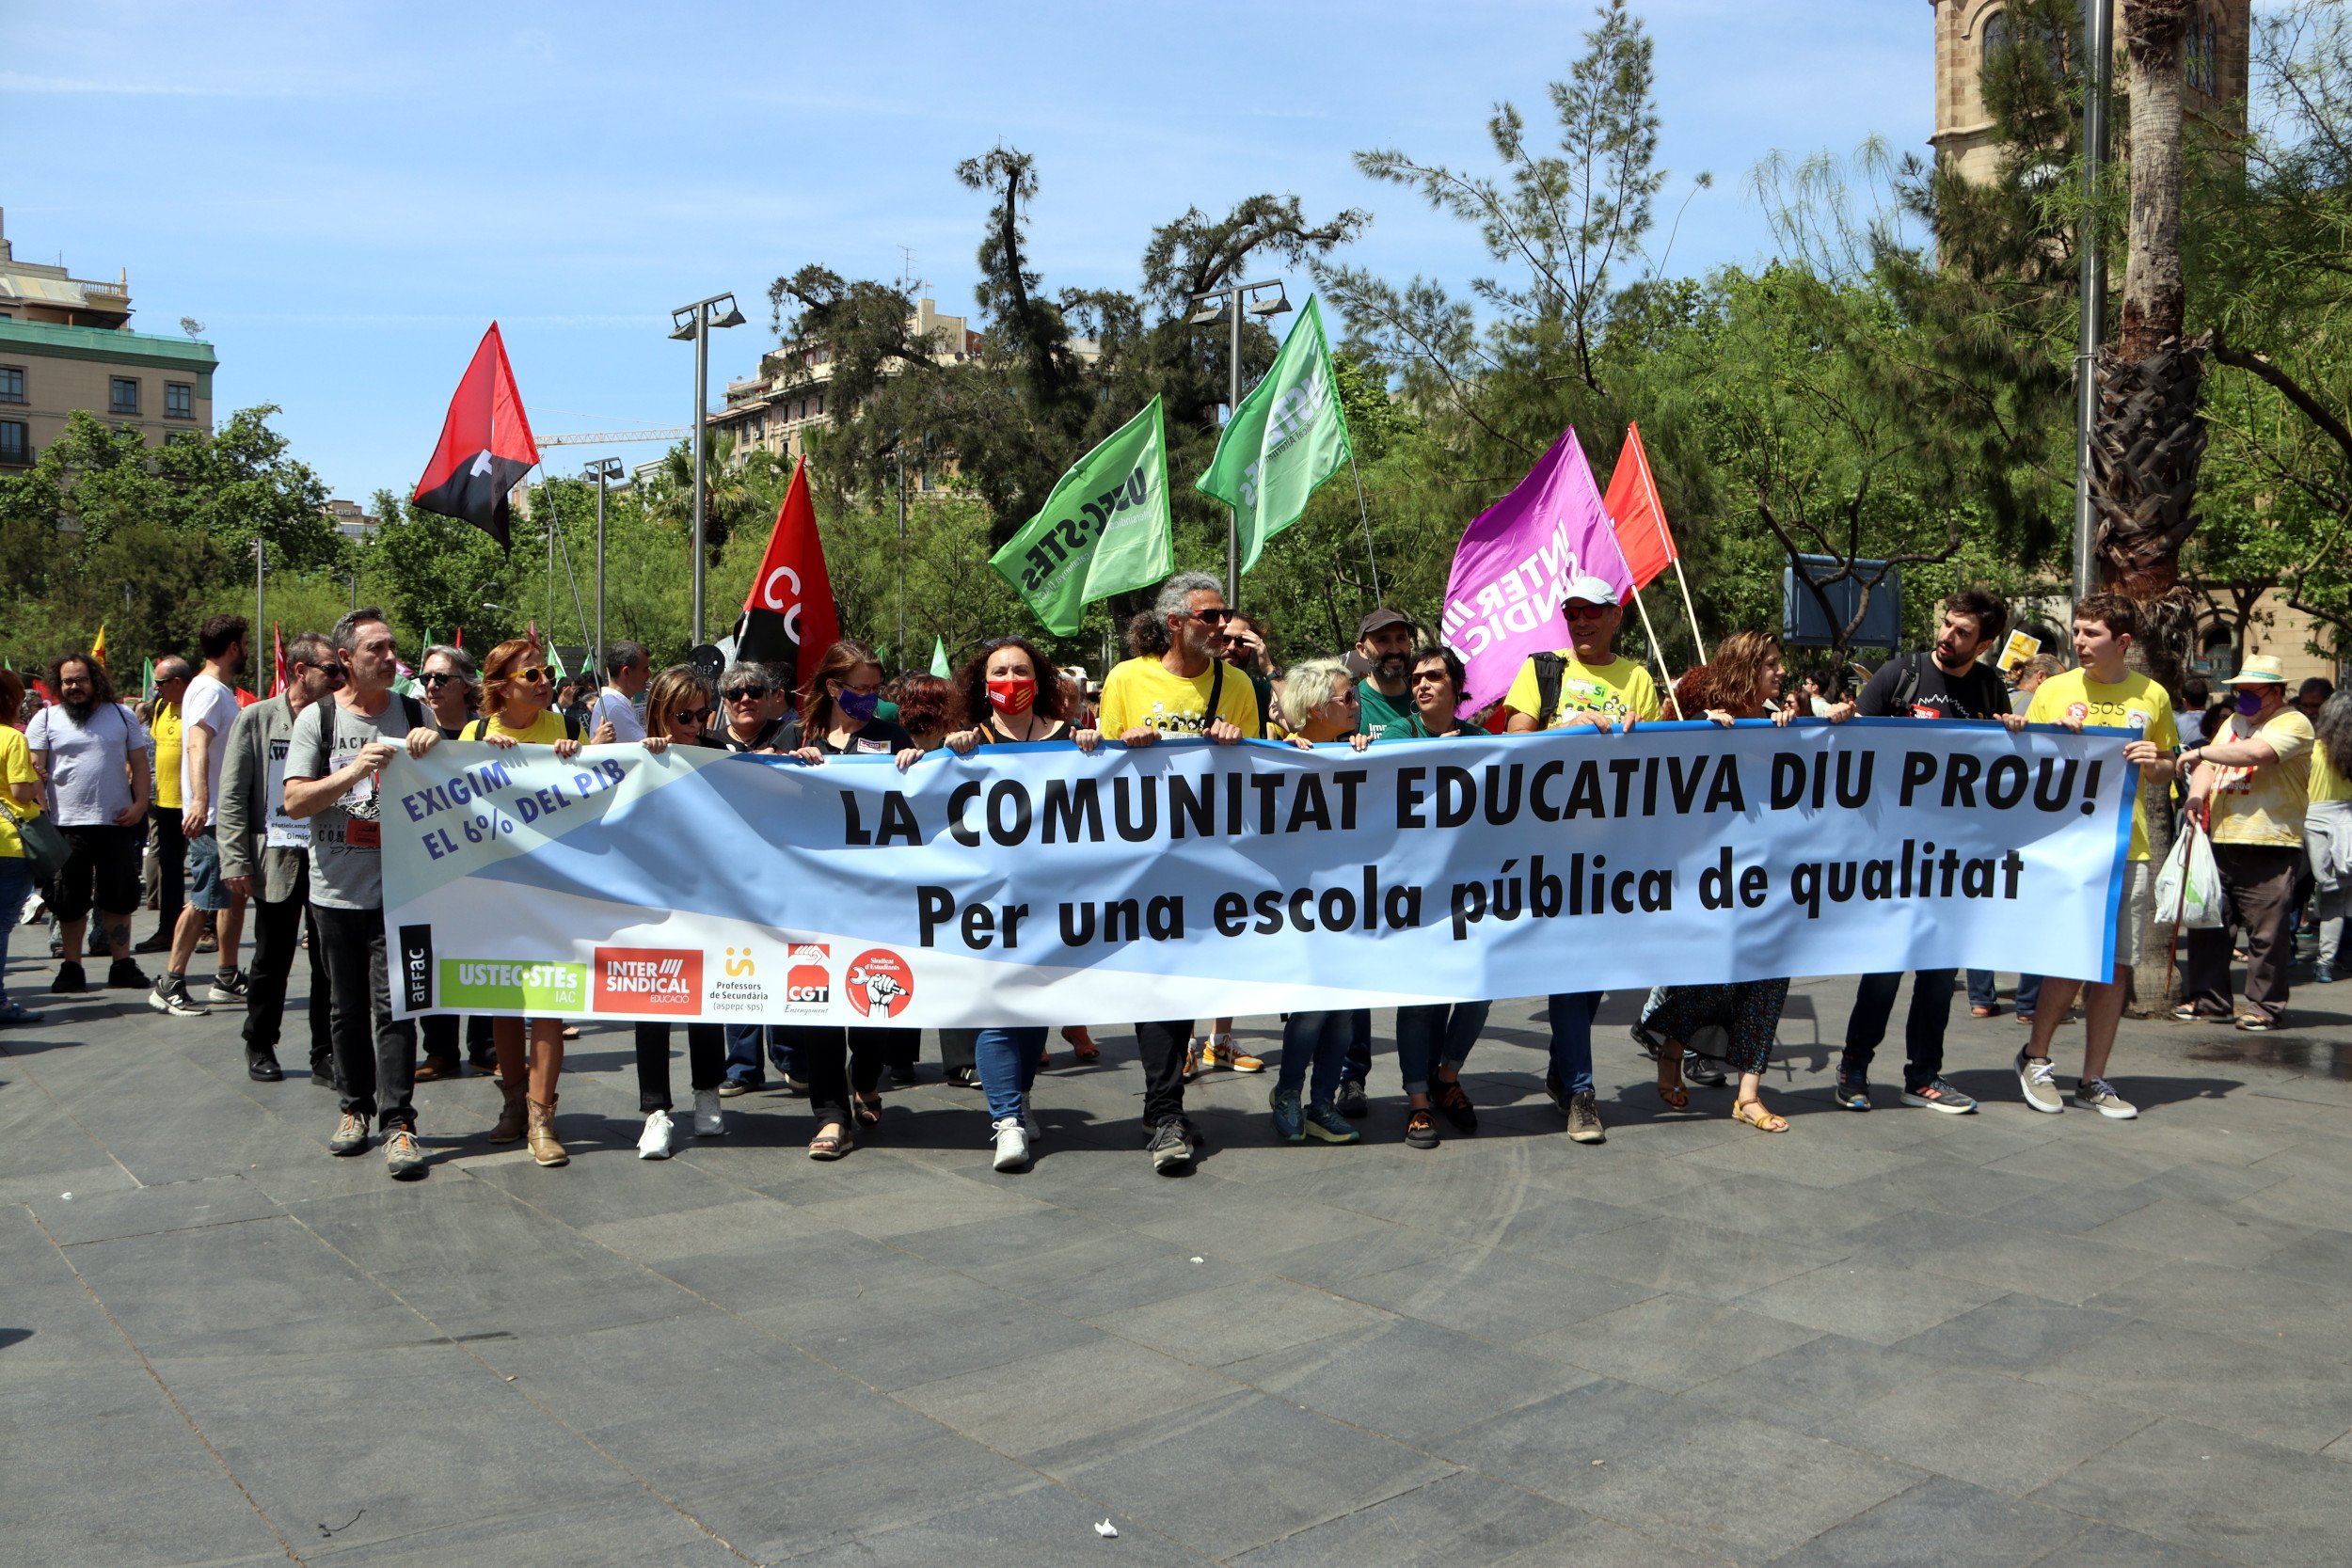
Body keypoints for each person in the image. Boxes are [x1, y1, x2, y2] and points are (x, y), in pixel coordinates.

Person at [1835, 589, 2024, 1116]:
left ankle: (1924, 1075)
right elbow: (1850, 745)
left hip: (1954, 862)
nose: (1946, 637)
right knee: (1884, 970)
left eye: (1962, 632)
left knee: (1939, 977)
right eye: (1946, 625)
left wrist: (2014, 733)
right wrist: (1843, 716)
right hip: (1891, 856)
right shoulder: (1901, 674)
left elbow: (1999, 774)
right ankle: (1854, 1068)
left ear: (1984, 643)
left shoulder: (1989, 688)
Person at [1653, 633, 1852, 1132]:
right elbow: (1658, 738)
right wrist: (1701, 726)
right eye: (1770, 663)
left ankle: (1748, 1093)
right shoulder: (1699, 686)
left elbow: (1814, 739)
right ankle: (1671, 1047)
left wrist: (1819, 720)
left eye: (1780, 663)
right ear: (1745, 665)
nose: (1781, 671)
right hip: (1708, 861)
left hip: (1770, 864)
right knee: (1712, 974)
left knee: (1770, 973)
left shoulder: (1778, 707)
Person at [1101, 570, 1263, 1173]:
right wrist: (1124, 742)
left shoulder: (1239, 684)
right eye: (1211, 616)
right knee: (1157, 984)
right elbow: (1099, 765)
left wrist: (1237, 739)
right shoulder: (1126, 678)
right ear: (1176, 624)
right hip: (1145, 864)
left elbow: (1259, 768)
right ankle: (1165, 1112)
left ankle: (1161, 1106)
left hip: (1214, 864)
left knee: (1190, 983)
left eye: (1224, 616)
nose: (1224, 626)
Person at [2006, 595, 2184, 1119]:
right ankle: (2036, 1058)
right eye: (2078, 632)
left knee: (2115, 967)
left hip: (2128, 848)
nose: (2080, 642)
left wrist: (2159, 761)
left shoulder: (2151, 695)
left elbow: (2167, 769)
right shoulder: (2053, 690)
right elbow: (2025, 769)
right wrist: (2025, 736)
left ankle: (2093, 1079)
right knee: (2070, 957)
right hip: (2065, 848)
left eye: (2091, 634)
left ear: (2123, 642)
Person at [1502, 574, 1662, 1146]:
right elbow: (1511, 743)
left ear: (1616, 616)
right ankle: (1581, 1093)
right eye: (1571, 612)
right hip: (1550, 850)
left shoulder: (1638, 677)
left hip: (1615, 853)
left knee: (1592, 973)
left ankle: (1562, 1067)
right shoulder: (1543, 669)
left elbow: (1665, 759)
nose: (1580, 621)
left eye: (1591, 611)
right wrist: (1565, 728)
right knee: (1571, 969)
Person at [283, 609, 440, 1180]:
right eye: (375, 648)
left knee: (396, 1009)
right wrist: (352, 772)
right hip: (334, 892)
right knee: (344, 1011)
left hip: (402, 893)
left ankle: (399, 1123)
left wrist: (436, 743)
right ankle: (354, 1110)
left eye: (392, 646)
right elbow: (295, 802)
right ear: (345, 658)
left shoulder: (416, 712)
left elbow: (466, 775)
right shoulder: (317, 721)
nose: (389, 656)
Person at [940, 636, 1104, 1170]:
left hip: (1050, 902)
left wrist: (1099, 750)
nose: (1010, 681)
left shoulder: (1070, 738)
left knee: (1034, 1009)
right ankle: (1006, 1121)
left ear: (1040, 678)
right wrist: (933, 754)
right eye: (999, 672)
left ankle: (1022, 1097)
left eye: (1020, 670)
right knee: (995, 1008)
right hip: (986, 902)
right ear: (982, 685)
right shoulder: (969, 742)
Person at [779, 641, 924, 1159]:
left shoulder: (891, 736)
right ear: (834, 688)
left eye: (874, 688)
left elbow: (918, 802)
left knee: (872, 1017)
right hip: (813, 898)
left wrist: (916, 762)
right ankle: (830, 1117)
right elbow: (765, 793)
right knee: (818, 1011)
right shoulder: (800, 736)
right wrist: (790, 767)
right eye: (858, 689)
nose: (869, 697)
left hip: (876, 900)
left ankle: (865, 1080)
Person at [457, 639, 588, 1162]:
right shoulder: (473, 734)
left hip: (554, 888)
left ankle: (541, 1118)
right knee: (505, 1003)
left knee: (550, 1002)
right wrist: (435, 745)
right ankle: (513, 1104)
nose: (544, 681)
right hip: (494, 888)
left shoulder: (564, 729)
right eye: (531, 675)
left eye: (545, 673)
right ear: (500, 685)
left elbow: (611, 782)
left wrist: (581, 758)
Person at [216, 633, 339, 1082]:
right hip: (276, 856)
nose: (338, 677)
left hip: (330, 852)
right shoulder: (255, 718)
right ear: (300, 671)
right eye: (331, 669)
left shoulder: (337, 718)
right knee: (271, 957)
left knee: (328, 960)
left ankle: (325, 1051)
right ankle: (260, 1042)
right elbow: (231, 794)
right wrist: (234, 860)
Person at [1264, 660, 1373, 1146]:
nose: (1356, 704)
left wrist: (1365, 756)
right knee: (1310, 1011)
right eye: (1347, 698)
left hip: (1352, 903)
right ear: (1315, 708)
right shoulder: (1280, 754)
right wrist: (1278, 755)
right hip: (1300, 906)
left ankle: (1322, 1102)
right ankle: (1288, 1092)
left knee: (1345, 1013)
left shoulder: (1360, 750)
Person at [2178, 654, 2315, 1033]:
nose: (2243, 699)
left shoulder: (2293, 723)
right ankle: (2210, 1001)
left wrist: (2200, 751)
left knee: (2266, 932)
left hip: (2270, 842)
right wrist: (2195, 797)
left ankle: (2264, 1007)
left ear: (2275, 692)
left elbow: (2258, 754)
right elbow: (2209, 766)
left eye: (2251, 692)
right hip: (2220, 838)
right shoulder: (2234, 723)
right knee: (2210, 926)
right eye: (2239, 691)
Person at [629, 665, 730, 1156]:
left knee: (707, 1001)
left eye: (702, 714)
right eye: (683, 714)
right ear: (659, 712)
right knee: (651, 1005)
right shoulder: (632, 759)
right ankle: (655, 1112)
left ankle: (707, 1092)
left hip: (707, 899)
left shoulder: (719, 754)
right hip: (648, 903)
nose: (694, 723)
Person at [26, 652, 153, 995]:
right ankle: (72, 966)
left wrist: (140, 804)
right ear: (59, 684)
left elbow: (140, 766)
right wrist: (43, 810)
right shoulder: (46, 719)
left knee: (120, 897)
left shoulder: (122, 715)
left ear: (95, 680)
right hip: (64, 826)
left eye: (80, 679)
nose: (74, 687)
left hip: (116, 822)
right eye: (67, 681)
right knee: (69, 900)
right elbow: (34, 771)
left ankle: (121, 964)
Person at [151, 615, 251, 1018]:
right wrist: (199, 803)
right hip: (211, 815)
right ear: (233, 648)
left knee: (233, 893)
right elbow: (196, 744)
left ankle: (226, 977)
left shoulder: (213, 689)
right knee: (206, 897)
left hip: (223, 812)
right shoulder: (210, 690)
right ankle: (170, 982)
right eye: (244, 643)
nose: (246, 650)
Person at [135, 657, 191, 954]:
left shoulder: (198, 706)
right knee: (171, 872)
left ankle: (207, 930)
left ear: (178, 683)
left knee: (208, 868)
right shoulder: (159, 706)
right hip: (165, 803)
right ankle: (167, 930)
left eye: (159, 683)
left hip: (196, 805)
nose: (154, 688)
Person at [0, 672, 46, 1025]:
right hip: (10, 844)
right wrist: (36, 781)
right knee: (1, 925)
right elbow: (20, 792)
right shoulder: (12, 739)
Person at [2307, 689, 2350, 986]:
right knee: (2336, 894)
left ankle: (2285, 952)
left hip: (2307, 821)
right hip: (2346, 822)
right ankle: (2326, 962)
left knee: (2289, 892)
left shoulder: (2309, 749)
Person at [589, 641, 650, 743]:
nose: (649, 675)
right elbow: (647, 750)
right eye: (645, 670)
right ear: (626, 672)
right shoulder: (615, 707)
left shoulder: (611, 702)